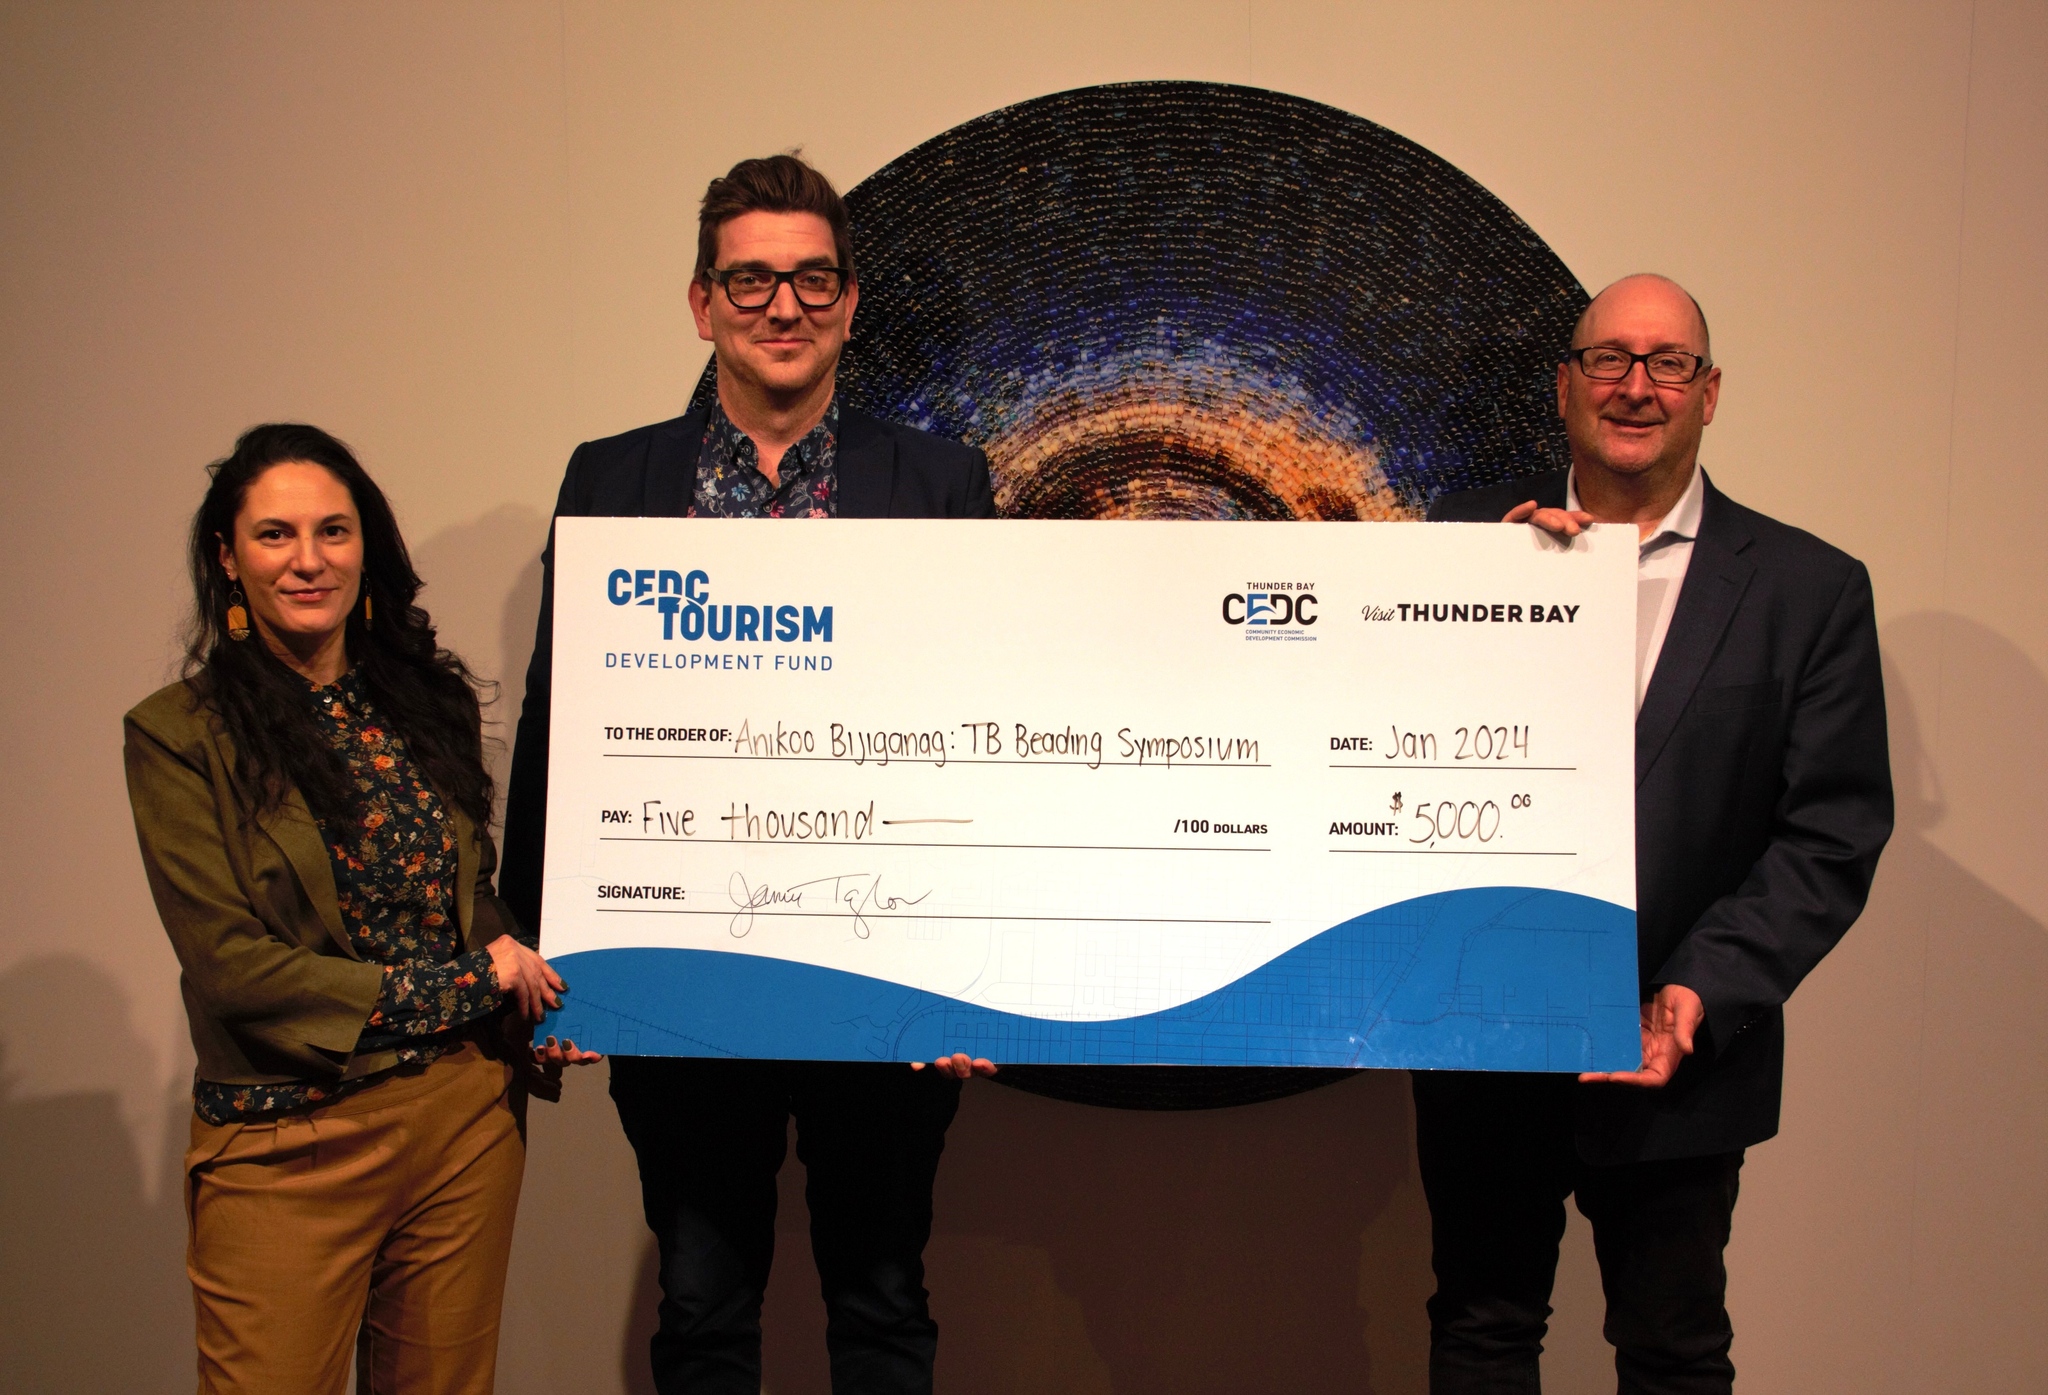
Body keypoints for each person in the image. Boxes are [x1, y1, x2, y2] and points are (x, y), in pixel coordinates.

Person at [501, 153, 996, 1395]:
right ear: (702, 303)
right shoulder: (612, 480)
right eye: (752, 280)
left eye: (812, 279)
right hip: (680, 976)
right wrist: (548, 946)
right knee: (701, 1307)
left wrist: (979, 974)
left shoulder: (942, 484)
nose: (784, 307)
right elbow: (565, 723)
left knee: (882, 1303)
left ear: (849, 299)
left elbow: (986, 730)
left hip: (879, 975)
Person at [1416, 274, 1893, 1394]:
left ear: (1708, 392)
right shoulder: (1463, 548)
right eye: (1609, 360)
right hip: (1485, 1039)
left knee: (1672, 1353)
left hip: (1679, 1055)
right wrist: (1482, 597)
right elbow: (1370, 743)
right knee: (1480, 1331)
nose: (1636, 387)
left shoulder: (1805, 588)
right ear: (1565, 387)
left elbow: (1828, 830)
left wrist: (1695, 997)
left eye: (1666, 363)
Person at [124, 422, 598, 1394]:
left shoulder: (431, 701)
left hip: (463, 1119)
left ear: (366, 547)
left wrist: (539, 993)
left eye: (333, 532)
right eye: (275, 535)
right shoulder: (177, 736)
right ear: (227, 558)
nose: (308, 560)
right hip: (290, 1137)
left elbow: (465, 897)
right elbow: (234, 969)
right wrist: (476, 979)